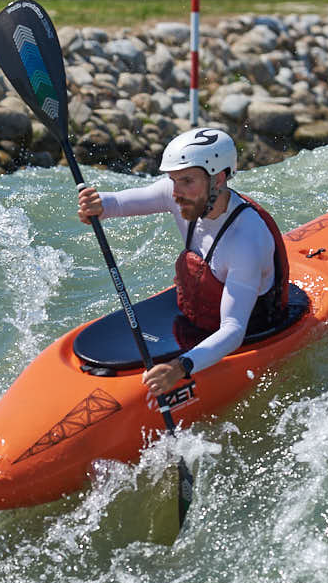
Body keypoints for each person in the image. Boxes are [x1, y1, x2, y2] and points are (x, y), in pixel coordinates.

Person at [76, 127, 290, 399]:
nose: (176, 192)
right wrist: (98, 205)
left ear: (219, 178)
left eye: (187, 181)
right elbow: (118, 202)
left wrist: (181, 368)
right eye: (173, 180)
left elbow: (234, 330)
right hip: (198, 312)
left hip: (251, 326)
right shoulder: (180, 193)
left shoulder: (245, 240)